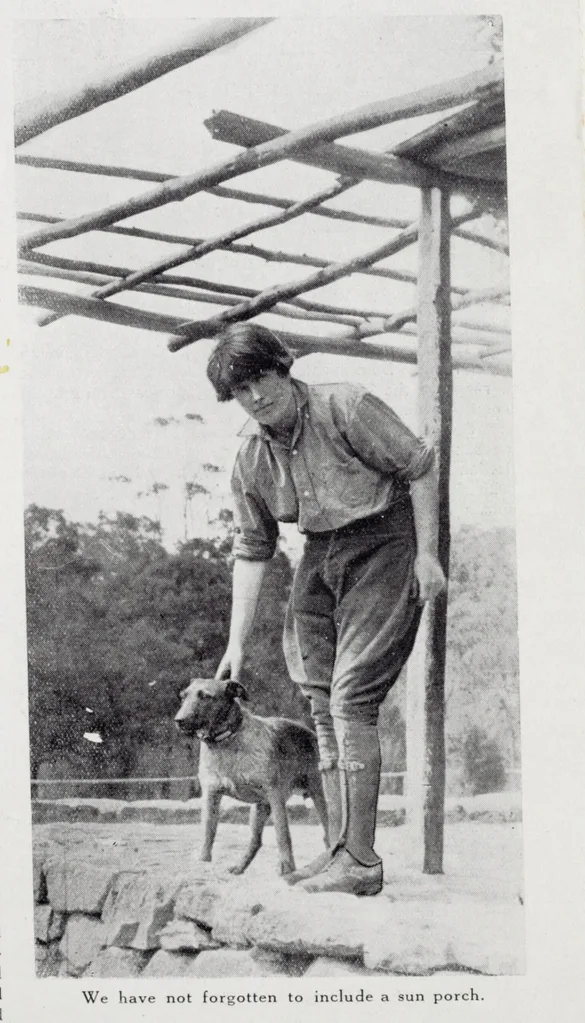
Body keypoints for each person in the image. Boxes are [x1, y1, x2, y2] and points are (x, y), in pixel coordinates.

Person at [207, 323, 445, 896]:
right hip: (319, 553)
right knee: (318, 697)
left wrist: (428, 555)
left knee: (351, 698)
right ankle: (339, 848)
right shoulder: (250, 455)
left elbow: (419, 468)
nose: (257, 396)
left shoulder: (345, 404)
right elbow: (253, 547)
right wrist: (235, 644)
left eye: (262, 377)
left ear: (283, 367)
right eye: (242, 389)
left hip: (386, 541)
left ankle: (361, 861)